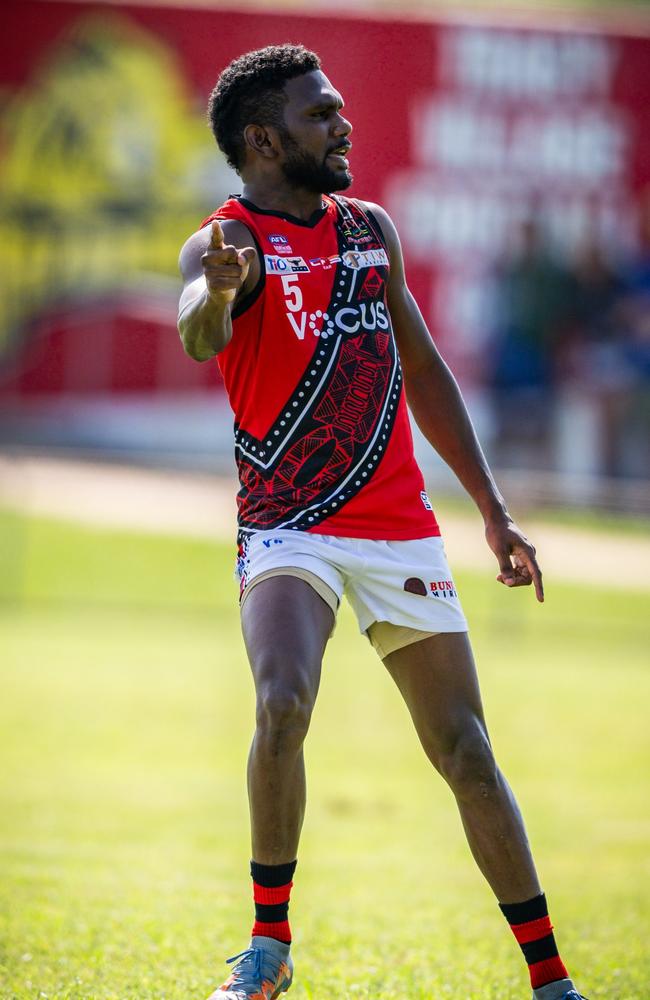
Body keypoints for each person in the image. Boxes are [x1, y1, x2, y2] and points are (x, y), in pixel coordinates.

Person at [177, 44, 587, 1000]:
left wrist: (491, 508)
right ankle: (269, 949)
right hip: (289, 524)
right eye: (321, 115)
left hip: (398, 526)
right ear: (266, 140)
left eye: (341, 107)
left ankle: (552, 979)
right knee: (282, 701)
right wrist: (224, 292)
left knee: (469, 754)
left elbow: (426, 369)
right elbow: (199, 329)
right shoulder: (221, 241)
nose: (343, 124)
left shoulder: (370, 231)